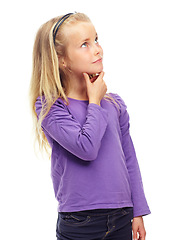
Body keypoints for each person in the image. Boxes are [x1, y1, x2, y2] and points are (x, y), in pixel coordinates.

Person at [29, 12, 151, 240]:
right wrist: (94, 102)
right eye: (84, 44)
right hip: (79, 222)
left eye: (96, 39)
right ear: (61, 59)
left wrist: (139, 211)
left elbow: (129, 158)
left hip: (121, 216)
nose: (97, 49)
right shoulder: (50, 107)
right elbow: (86, 148)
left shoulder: (114, 104)